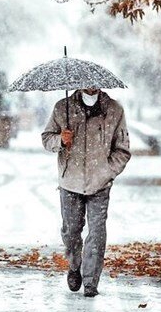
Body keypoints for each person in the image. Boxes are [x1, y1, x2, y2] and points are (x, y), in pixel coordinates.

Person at [42, 87, 131, 297]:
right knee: (71, 232)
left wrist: (108, 171)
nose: (89, 86)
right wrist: (60, 140)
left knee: (97, 232)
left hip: (100, 184)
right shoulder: (62, 108)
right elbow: (47, 138)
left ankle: (91, 281)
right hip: (70, 181)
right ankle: (74, 266)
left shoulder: (114, 110)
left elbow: (123, 149)